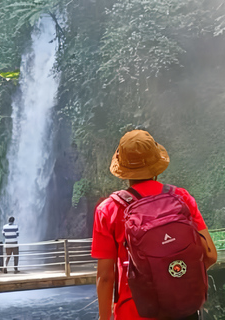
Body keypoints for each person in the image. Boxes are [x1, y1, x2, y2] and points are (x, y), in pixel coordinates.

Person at [91, 130, 218, 320]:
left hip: (133, 312)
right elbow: (210, 255)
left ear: (123, 169)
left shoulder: (108, 209)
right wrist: (173, 277)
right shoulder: (181, 198)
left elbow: (106, 277)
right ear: (156, 164)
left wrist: (103, 317)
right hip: (181, 308)